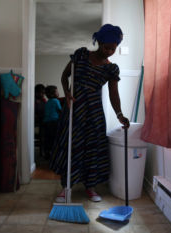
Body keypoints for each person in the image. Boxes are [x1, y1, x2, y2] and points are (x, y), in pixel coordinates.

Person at [50, 24, 130, 203]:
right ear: (99, 42)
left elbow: (113, 93)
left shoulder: (111, 69)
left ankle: (90, 188)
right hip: (74, 109)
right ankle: (66, 187)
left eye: (113, 48)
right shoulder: (81, 55)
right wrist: (67, 93)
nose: (109, 51)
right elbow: (65, 77)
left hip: (94, 113)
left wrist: (119, 114)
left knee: (92, 149)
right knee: (71, 146)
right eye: (106, 47)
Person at [43, 85, 62, 158]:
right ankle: (54, 152)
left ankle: (47, 152)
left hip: (46, 122)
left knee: (48, 137)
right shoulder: (56, 101)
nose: (58, 93)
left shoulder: (47, 102)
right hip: (54, 122)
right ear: (52, 94)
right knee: (54, 137)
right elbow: (60, 110)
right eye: (57, 92)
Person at [35, 84, 47, 157]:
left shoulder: (44, 100)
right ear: (36, 92)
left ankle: (42, 150)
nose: (42, 94)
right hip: (35, 119)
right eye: (40, 93)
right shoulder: (33, 100)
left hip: (42, 119)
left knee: (43, 132)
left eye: (43, 93)